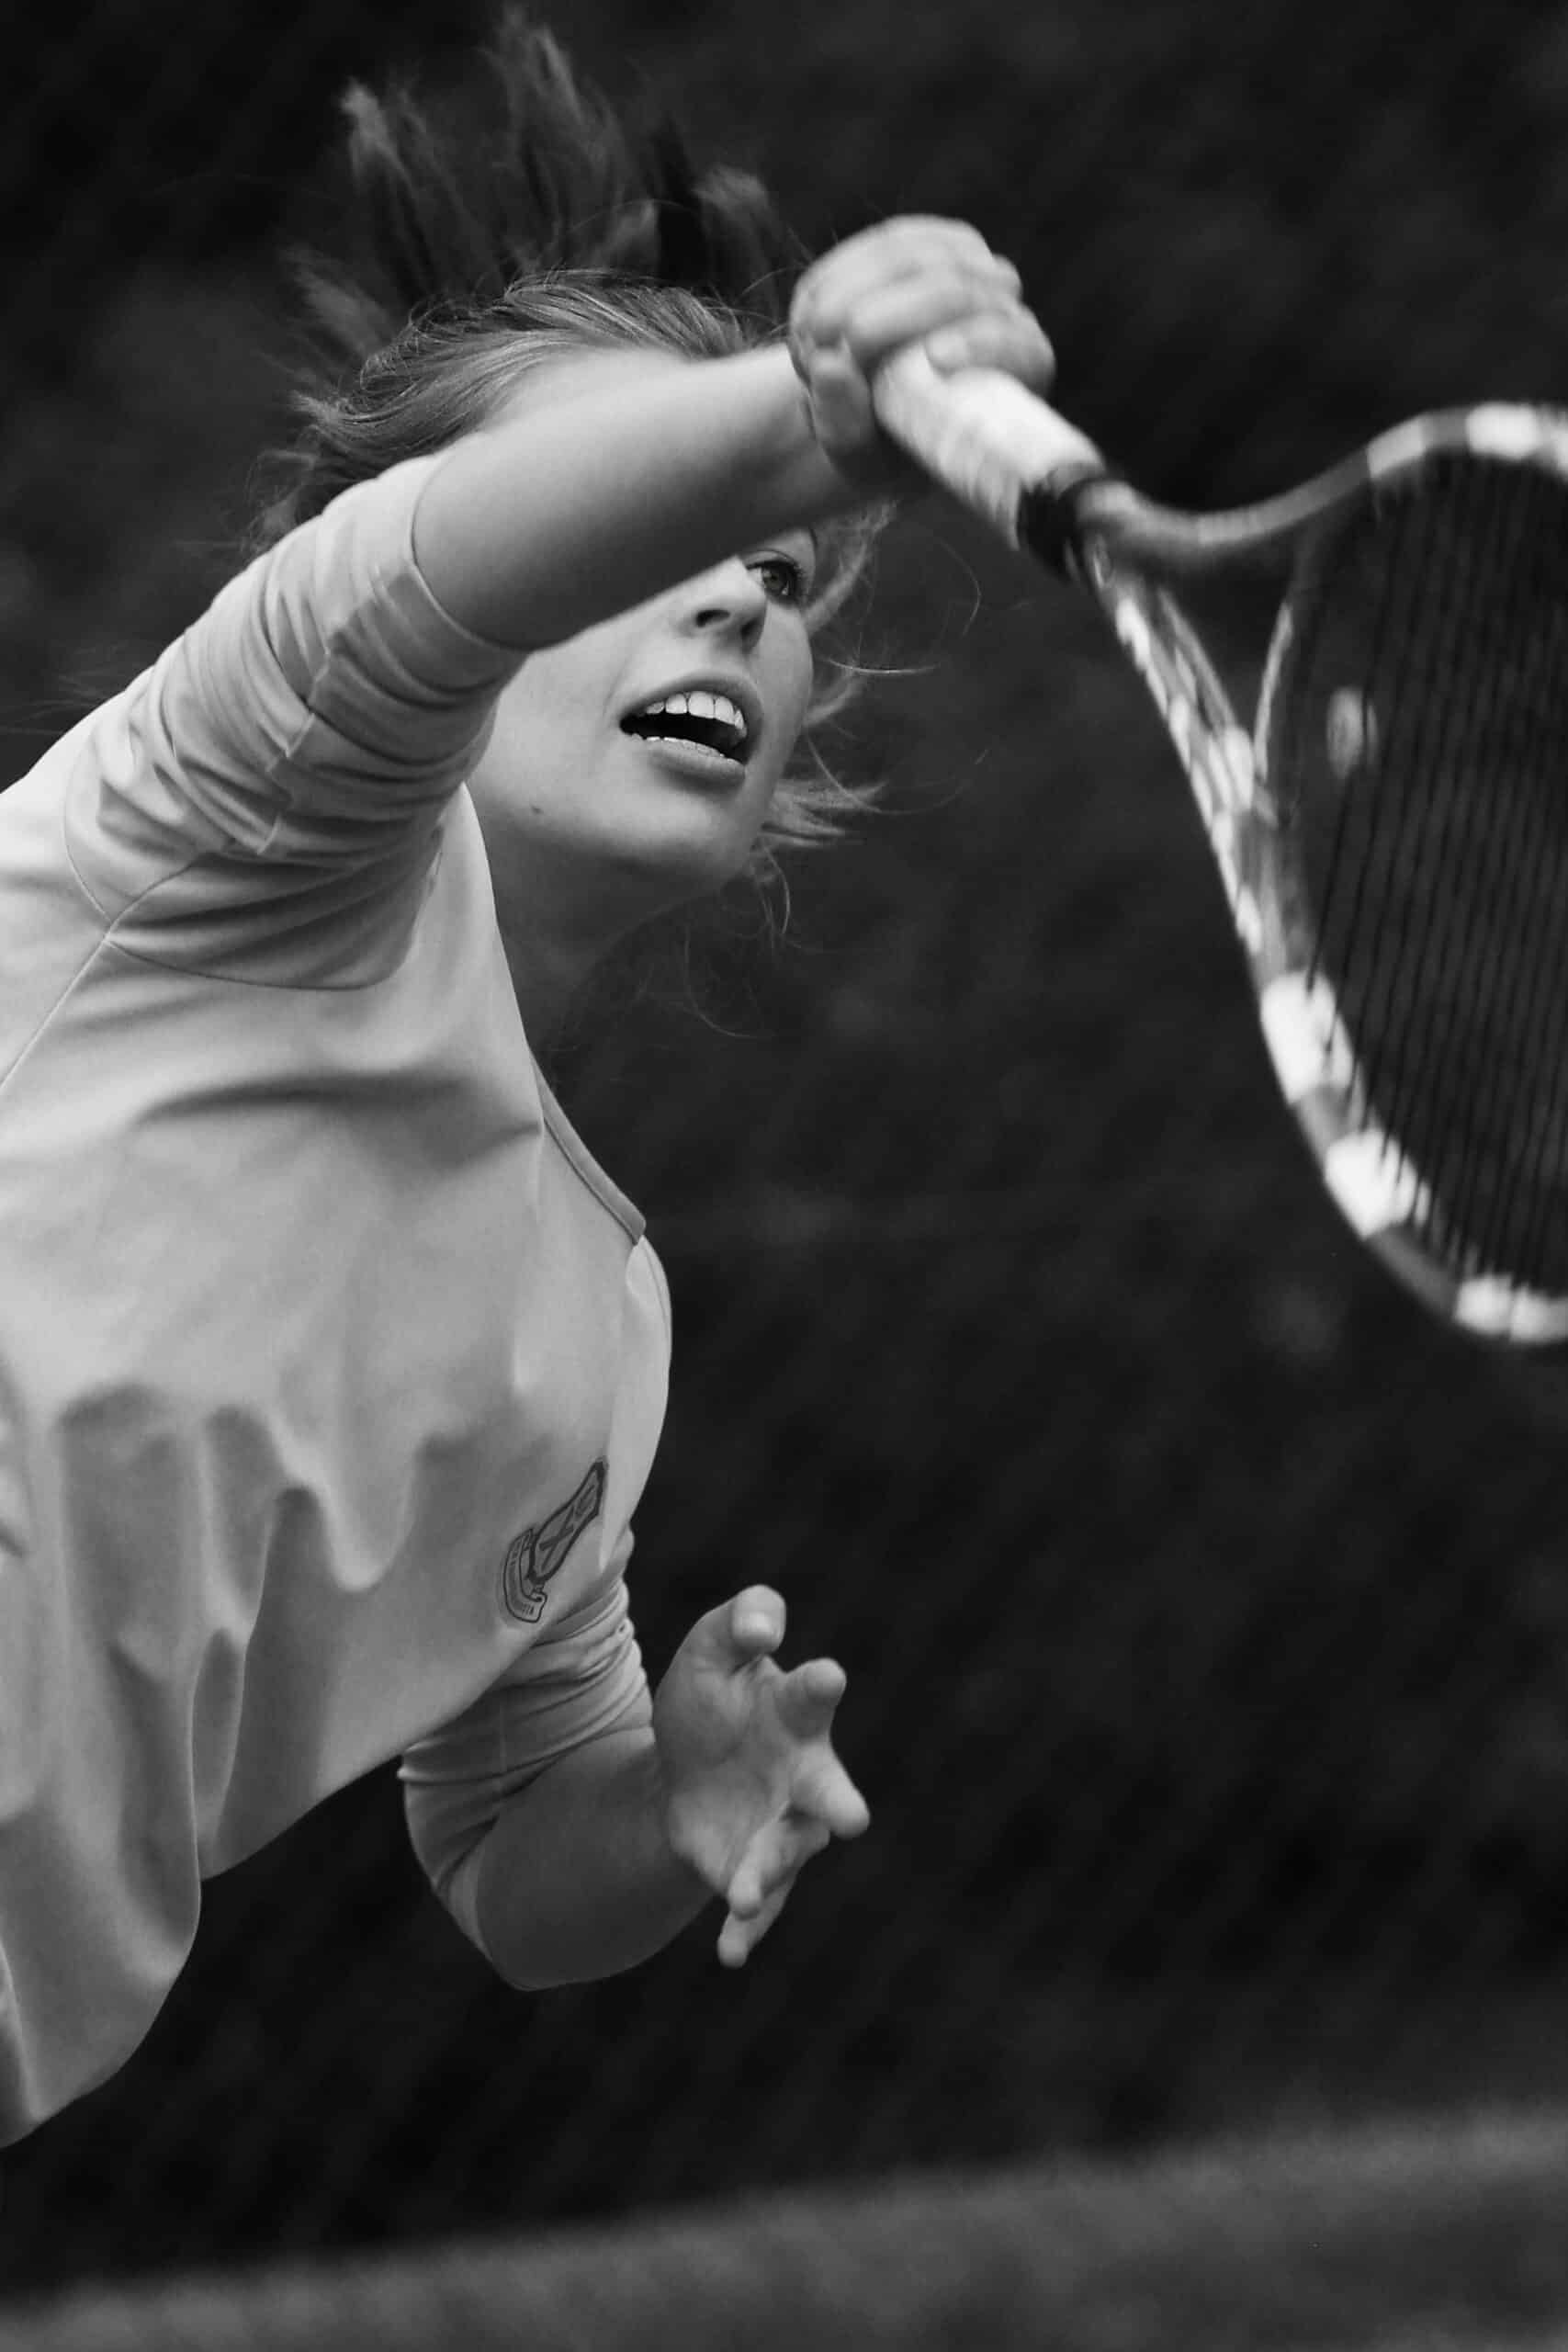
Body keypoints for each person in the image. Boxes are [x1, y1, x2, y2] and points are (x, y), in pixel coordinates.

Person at [0, 8, 1055, 2142]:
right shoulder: (219, 825)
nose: (751, 585)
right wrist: (804, 416)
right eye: (653, 524)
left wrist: (661, 1811)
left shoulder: (592, 1325)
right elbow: (412, 587)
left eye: (776, 581)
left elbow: (504, 1847)